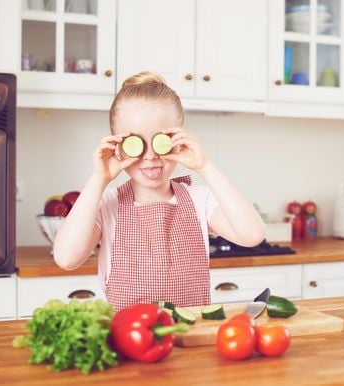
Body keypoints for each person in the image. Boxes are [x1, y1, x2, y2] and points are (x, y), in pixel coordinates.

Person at [53, 71, 266, 311]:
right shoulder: (106, 203)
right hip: (126, 341)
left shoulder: (200, 200)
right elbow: (67, 259)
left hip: (189, 337)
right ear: (118, 146)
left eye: (160, 140)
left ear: (178, 138)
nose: (151, 155)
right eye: (136, 142)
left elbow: (253, 235)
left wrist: (205, 166)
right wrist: (98, 179)